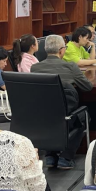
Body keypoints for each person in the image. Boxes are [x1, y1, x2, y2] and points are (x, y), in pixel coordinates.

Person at [32, 35, 91, 170]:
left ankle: (50, 156)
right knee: (83, 117)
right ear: (61, 50)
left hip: (42, 115)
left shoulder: (35, 68)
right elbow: (87, 87)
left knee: (52, 117)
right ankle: (66, 157)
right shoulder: (70, 67)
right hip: (66, 114)